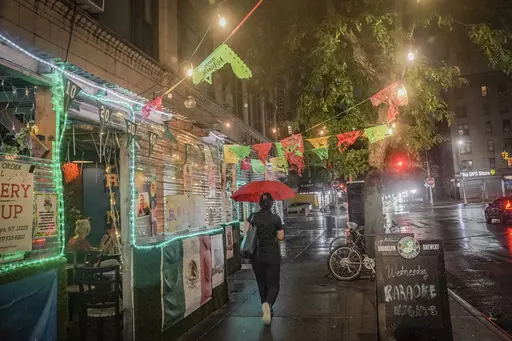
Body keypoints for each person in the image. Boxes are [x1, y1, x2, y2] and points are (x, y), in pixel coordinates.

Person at [247, 193, 285, 325]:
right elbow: (280, 237)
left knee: (261, 283)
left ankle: (265, 304)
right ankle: (268, 304)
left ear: (259, 203)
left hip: (257, 256)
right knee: (273, 284)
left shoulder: (252, 217)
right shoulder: (275, 218)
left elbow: (247, 232)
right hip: (272, 255)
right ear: (271, 204)